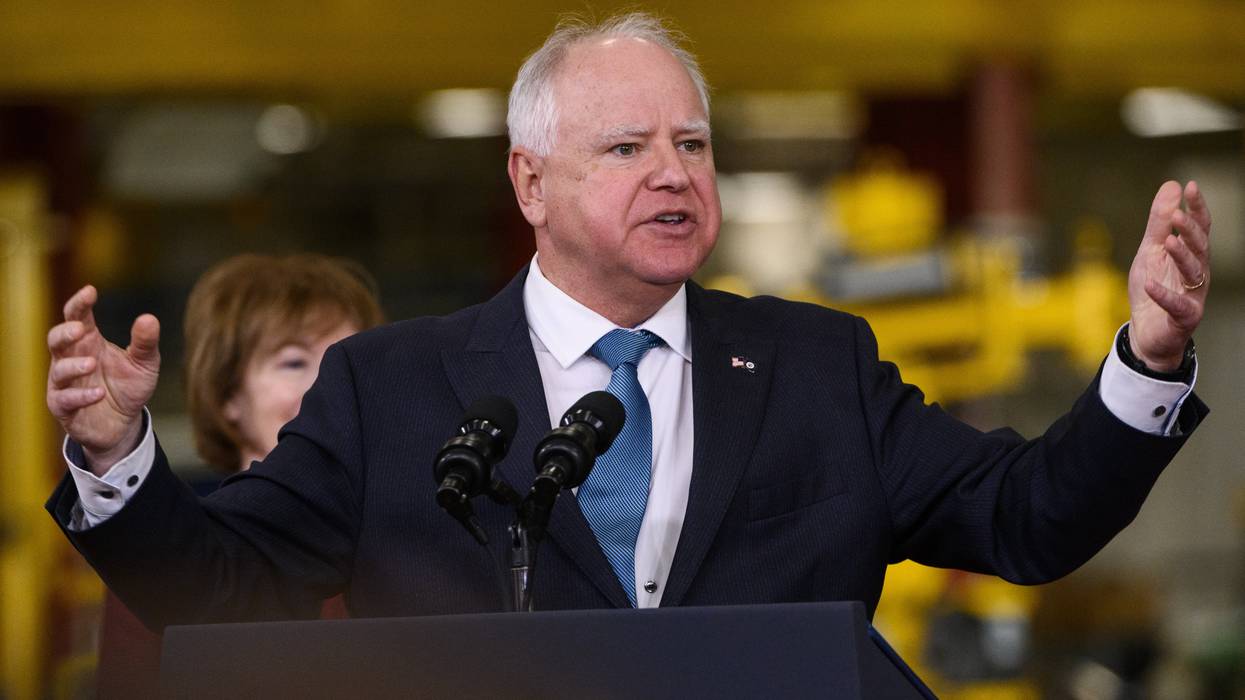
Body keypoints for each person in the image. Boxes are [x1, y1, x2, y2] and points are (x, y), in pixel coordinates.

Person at [45, 13, 1210, 629]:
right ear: (531, 184)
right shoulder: (387, 390)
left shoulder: (816, 366)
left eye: (692, 145)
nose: (674, 173)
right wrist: (114, 455)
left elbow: (1028, 519)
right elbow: (219, 585)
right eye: (626, 147)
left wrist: (1148, 361)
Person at [92, 253, 383, 697]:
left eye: (348, 365)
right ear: (228, 393)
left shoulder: (403, 538)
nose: (330, 389)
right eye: (294, 362)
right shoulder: (177, 552)